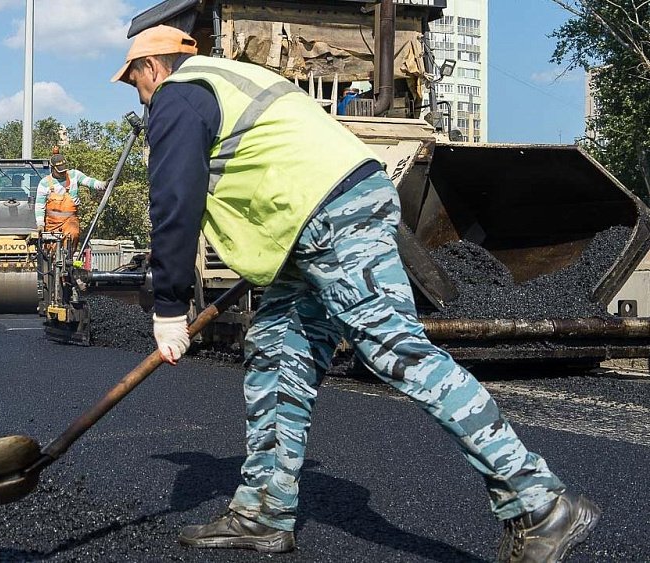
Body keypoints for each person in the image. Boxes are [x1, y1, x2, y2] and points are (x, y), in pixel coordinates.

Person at [112, 25, 600, 561]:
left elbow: (174, 200)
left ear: (151, 68)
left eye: (135, 84)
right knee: (275, 352)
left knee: (397, 350)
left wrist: (167, 306)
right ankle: (262, 512)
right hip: (321, 219)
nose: (140, 98)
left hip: (331, 218)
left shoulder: (177, 97)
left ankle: (538, 500)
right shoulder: (232, 78)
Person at [34, 150, 107, 248]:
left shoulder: (74, 175)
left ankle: (68, 259)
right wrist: (40, 224)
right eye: (60, 171)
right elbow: (39, 206)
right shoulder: (44, 183)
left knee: (73, 235)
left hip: (70, 220)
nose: (63, 173)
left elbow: (89, 181)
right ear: (52, 169)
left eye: (64, 170)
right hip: (53, 224)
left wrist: (103, 185)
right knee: (51, 248)